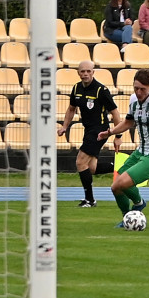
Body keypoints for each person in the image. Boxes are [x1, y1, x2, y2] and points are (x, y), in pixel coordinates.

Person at [96, 69, 149, 227]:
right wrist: (110, 132)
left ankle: (137, 204)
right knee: (115, 186)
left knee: (122, 183)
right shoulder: (133, 100)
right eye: (136, 88)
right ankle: (128, 216)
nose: (139, 92)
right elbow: (128, 122)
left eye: (142, 89)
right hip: (142, 150)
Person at [57, 60, 123, 208]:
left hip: (100, 130)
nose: (85, 74)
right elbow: (71, 109)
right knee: (91, 168)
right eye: (82, 71)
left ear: (93, 72)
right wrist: (64, 126)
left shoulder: (101, 90)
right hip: (89, 130)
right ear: (78, 73)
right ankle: (120, 167)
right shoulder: (76, 88)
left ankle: (90, 200)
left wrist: (118, 136)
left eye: (88, 71)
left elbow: (115, 113)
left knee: (80, 162)